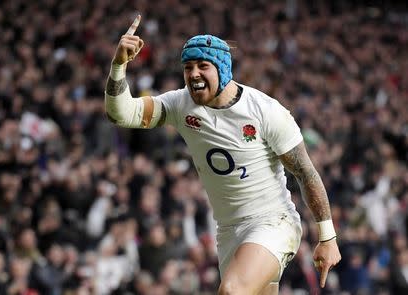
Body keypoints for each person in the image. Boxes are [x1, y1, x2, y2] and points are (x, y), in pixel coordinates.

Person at [104, 15, 341, 295]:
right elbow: (121, 114)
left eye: (203, 66)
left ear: (223, 69)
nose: (193, 74)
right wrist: (119, 65)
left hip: (272, 222)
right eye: (188, 67)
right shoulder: (181, 104)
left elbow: (304, 171)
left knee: (231, 291)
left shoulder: (265, 111)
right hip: (229, 231)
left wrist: (327, 237)